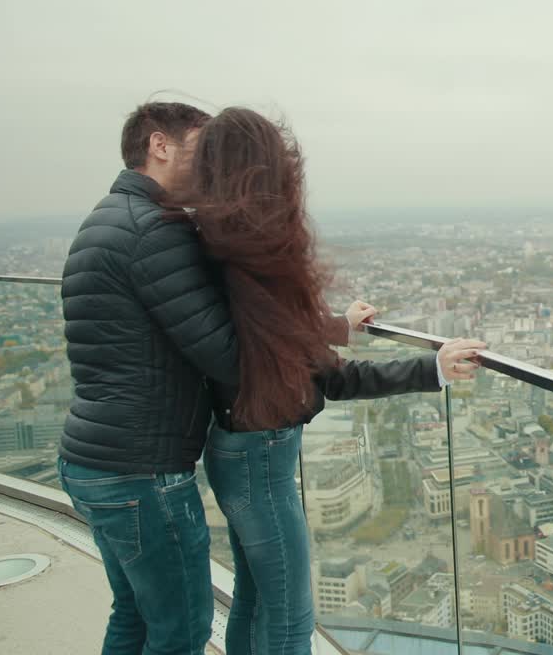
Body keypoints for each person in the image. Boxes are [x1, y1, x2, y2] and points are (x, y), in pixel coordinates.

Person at [181, 106, 485, 654]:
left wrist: (334, 328)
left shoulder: (209, 244)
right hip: (261, 455)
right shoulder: (247, 252)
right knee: (292, 620)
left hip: (236, 449)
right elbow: (323, 373)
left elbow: (265, 337)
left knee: (254, 602)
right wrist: (430, 367)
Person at [58, 102, 236, 655]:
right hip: (142, 473)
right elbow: (224, 354)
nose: (211, 166)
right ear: (160, 145)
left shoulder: (105, 218)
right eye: (202, 149)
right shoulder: (154, 229)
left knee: (133, 616)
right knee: (180, 631)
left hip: (92, 461)